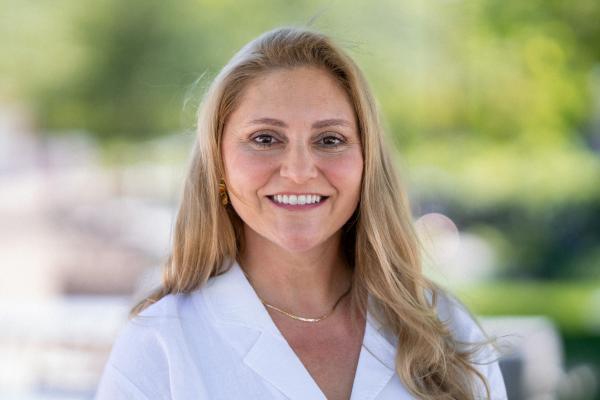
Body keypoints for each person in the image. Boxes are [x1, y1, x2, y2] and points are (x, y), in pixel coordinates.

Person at [95, 26, 507, 399]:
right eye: (265, 138)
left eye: (329, 139)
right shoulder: (161, 343)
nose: (297, 172)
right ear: (217, 162)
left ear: (367, 162)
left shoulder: (445, 330)